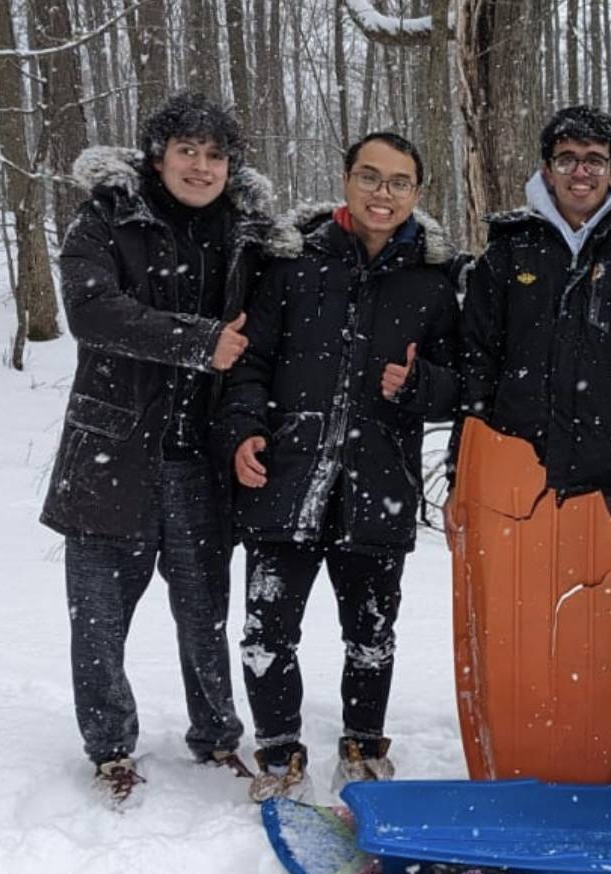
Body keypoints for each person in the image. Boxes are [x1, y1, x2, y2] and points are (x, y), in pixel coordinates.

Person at [41, 92, 273, 806]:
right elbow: (91, 310)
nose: (200, 167)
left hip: (200, 455)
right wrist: (198, 341)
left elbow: (260, 335)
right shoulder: (108, 217)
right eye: (186, 152)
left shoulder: (245, 234)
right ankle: (110, 747)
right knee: (100, 613)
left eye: (214, 155)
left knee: (204, 608)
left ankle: (216, 734)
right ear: (158, 156)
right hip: (113, 447)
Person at [444, 105, 611, 781]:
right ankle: (518, 764)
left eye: (594, 159)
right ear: (546, 167)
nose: (580, 171)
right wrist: (459, 480)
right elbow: (476, 373)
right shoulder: (507, 254)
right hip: (514, 482)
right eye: (567, 157)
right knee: (513, 628)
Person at [215, 132, 460, 801]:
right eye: (370, 177)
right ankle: (277, 751)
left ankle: (362, 744)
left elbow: (461, 382)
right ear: (346, 179)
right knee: (266, 632)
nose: (383, 194)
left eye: (399, 182)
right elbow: (249, 362)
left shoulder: (434, 281)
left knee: (372, 633)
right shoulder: (292, 262)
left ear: (417, 192)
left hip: (378, 482)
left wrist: (418, 386)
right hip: (287, 478)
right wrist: (244, 431)